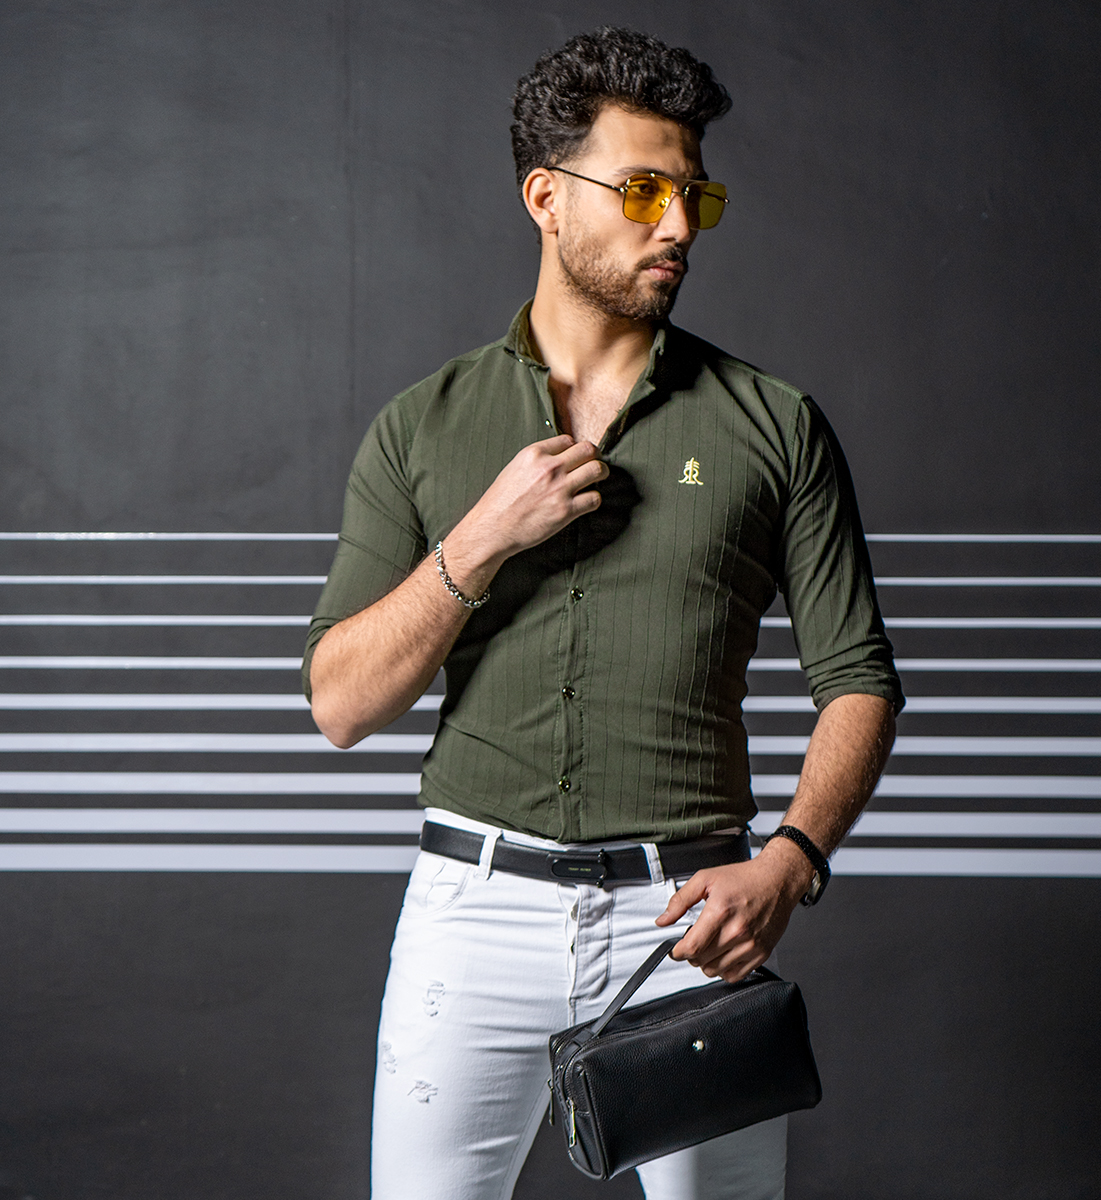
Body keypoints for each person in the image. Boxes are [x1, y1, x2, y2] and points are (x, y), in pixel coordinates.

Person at [303, 26, 903, 1200]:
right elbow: (340, 704)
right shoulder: (421, 426)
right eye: (640, 191)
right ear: (546, 198)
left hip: (691, 924)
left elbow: (860, 681)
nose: (677, 226)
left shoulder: (774, 424)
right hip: (472, 916)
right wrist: (481, 537)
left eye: (693, 197)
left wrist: (791, 862)